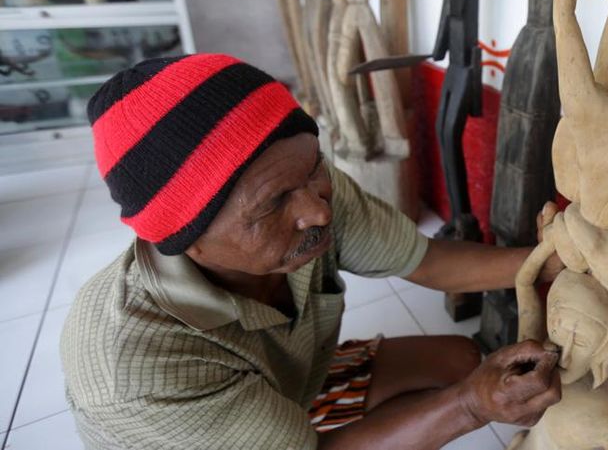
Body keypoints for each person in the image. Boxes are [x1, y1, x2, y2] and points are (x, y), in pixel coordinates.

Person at [60, 53, 565, 450]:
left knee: (460, 359)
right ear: (185, 237)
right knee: (464, 395)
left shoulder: (299, 183)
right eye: (273, 203)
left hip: (289, 390)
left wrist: (551, 261)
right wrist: (471, 407)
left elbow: (430, 262)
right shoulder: (140, 370)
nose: (318, 211)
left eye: (314, 169)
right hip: (198, 436)